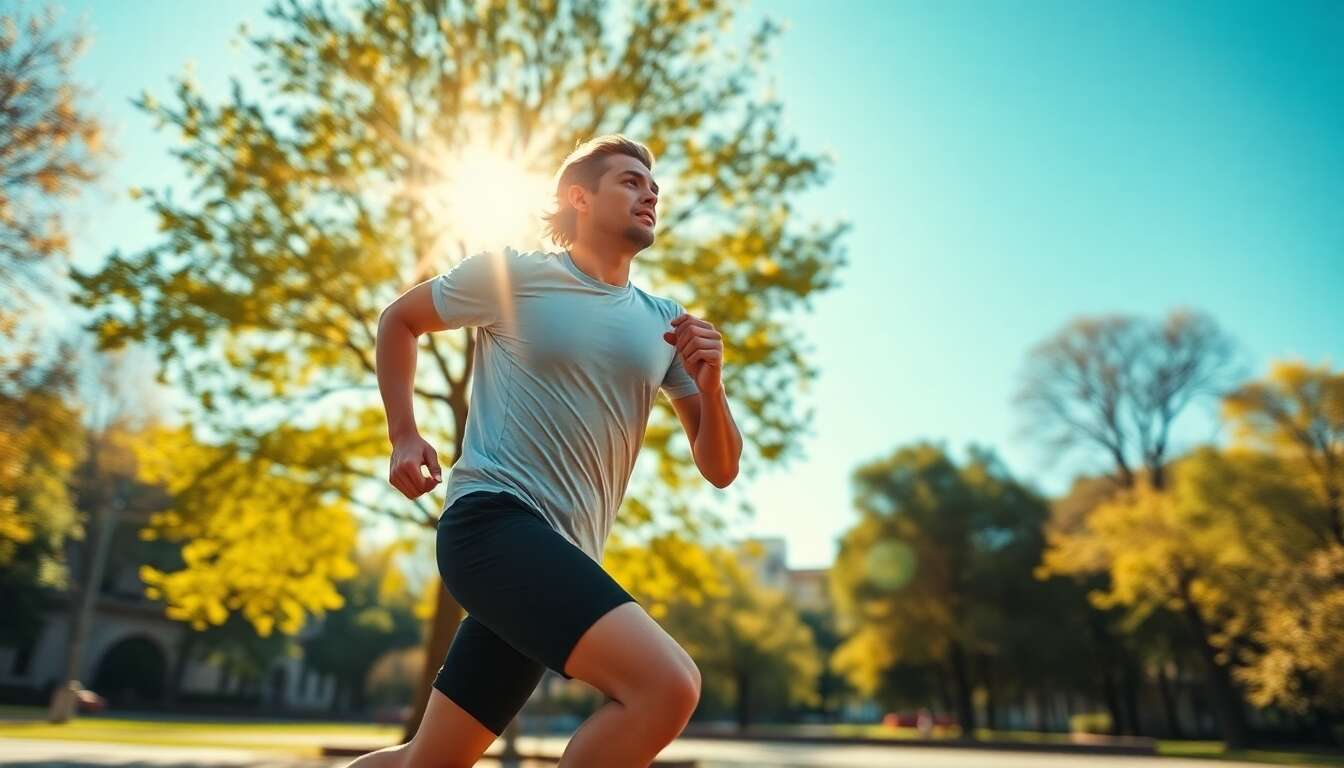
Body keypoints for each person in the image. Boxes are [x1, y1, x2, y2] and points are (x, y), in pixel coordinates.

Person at [353, 134, 743, 768]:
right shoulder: (513, 276)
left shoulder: (666, 321)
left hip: (558, 561)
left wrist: (712, 385)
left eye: (654, 187)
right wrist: (404, 432)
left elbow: (720, 468)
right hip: (493, 525)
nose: (649, 193)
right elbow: (400, 318)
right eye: (629, 181)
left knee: (425, 762)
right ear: (578, 198)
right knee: (668, 686)